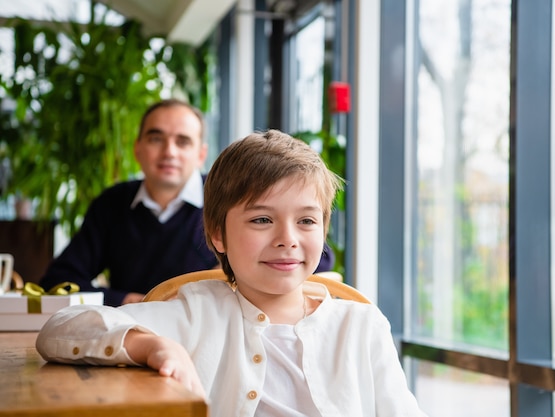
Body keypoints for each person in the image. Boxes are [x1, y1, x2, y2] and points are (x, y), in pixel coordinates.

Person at [36, 130, 427, 416]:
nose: (287, 239)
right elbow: (60, 328)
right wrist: (154, 346)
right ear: (217, 234)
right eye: (261, 219)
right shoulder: (196, 313)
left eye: (306, 221)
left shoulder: (361, 325)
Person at [38, 100, 334, 306]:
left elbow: (318, 258)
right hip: (138, 330)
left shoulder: (235, 198)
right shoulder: (113, 204)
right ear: (138, 149)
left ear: (201, 153)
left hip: (227, 328)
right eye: (156, 139)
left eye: (183, 141)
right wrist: (130, 300)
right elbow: (61, 280)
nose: (169, 151)